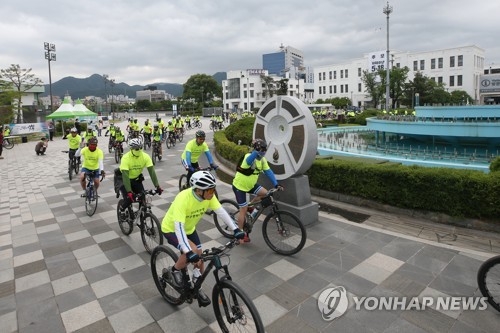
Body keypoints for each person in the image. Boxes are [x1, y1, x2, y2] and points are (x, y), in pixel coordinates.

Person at [161, 170, 245, 307]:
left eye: (213, 189)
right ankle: (174, 270)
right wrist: (188, 251)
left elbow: (221, 212)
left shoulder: (209, 197)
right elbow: (179, 227)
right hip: (171, 229)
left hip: (189, 229)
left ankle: (197, 285)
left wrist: (235, 229)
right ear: (199, 190)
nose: (213, 193)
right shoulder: (183, 199)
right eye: (210, 190)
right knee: (192, 251)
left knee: (200, 257)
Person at [232, 139, 283, 242]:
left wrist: (276, 184)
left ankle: (250, 205)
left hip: (251, 185)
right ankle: (240, 234)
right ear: (256, 149)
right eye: (261, 150)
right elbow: (249, 161)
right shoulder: (249, 157)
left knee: (266, 194)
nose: (263, 153)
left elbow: (269, 172)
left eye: (265, 150)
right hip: (239, 187)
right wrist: (256, 151)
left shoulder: (262, 160)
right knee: (243, 210)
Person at [118, 138, 162, 213]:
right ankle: (121, 210)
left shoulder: (145, 156)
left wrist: (157, 186)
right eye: (136, 149)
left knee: (142, 197)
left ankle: (142, 217)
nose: (138, 150)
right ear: (131, 149)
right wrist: (129, 191)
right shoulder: (125, 158)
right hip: (124, 179)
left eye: (140, 148)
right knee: (129, 199)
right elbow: (125, 176)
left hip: (136, 179)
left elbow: (152, 172)